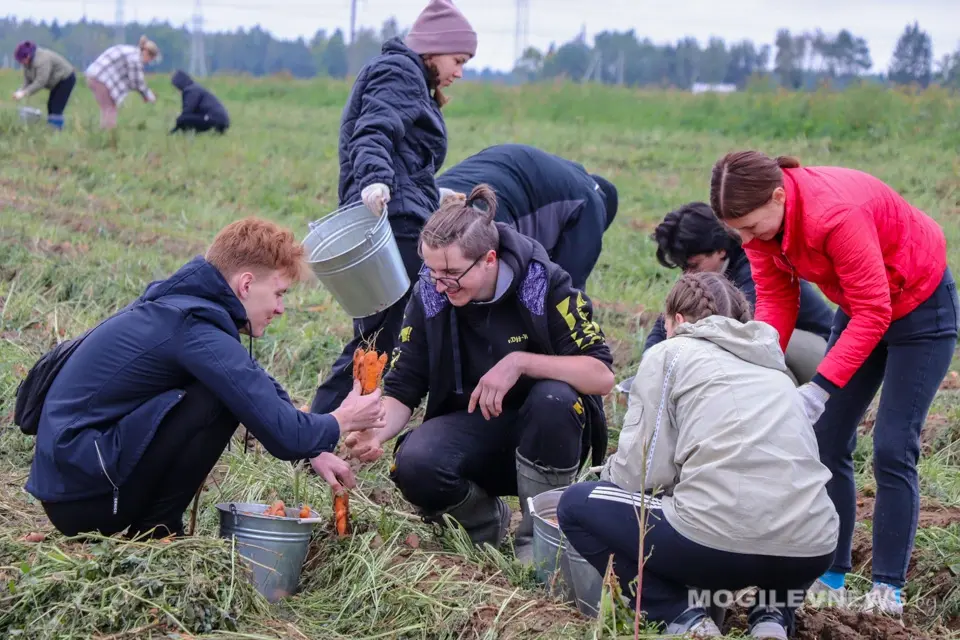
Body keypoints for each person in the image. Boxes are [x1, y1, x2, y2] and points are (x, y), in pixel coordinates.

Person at [24, 217, 386, 539]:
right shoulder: (193, 326)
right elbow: (282, 435)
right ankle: (158, 530)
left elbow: (255, 384)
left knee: (227, 389)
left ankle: (156, 527)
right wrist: (342, 419)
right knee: (219, 398)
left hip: (76, 485)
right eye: (278, 293)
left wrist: (316, 444)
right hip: (89, 498)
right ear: (245, 284)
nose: (280, 308)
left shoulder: (186, 309)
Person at [710, 150, 958, 616]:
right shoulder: (764, 227)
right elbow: (777, 298)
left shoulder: (834, 214)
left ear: (779, 197)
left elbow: (874, 311)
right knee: (825, 438)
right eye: (736, 230)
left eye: (750, 227)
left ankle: (888, 587)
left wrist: (817, 389)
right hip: (862, 302)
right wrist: (759, 364)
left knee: (891, 446)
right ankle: (832, 573)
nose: (745, 240)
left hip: (921, 309)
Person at [558, 272, 839, 640]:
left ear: (676, 320)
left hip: (714, 543)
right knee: (786, 517)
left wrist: (607, 475)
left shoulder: (669, 354)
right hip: (815, 547)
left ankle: (684, 620)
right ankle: (770, 617)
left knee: (575, 505)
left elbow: (640, 473)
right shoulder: (776, 369)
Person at [342, 185, 615, 563]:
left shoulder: (542, 283)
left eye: (452, 273)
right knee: (415, 462)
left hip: (550, 434)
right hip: (475, 431)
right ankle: (482, 523)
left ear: (489, 259)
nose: (441, 284)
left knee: (554, 397)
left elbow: (601, 375)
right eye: (433, 270)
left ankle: (539, 541)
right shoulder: (432, 292)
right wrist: (375, 431)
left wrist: (521, 362)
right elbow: (405, 386)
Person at [309, 0, 478, 417]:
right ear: (433, 50)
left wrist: (431, 193)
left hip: (401, 211)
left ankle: (343, 424)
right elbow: (373, 132)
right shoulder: (399, 72)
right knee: (383, 334)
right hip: (394, 222)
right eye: (457, 60)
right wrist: (374, 180)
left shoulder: (410, 77)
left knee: (380, 334)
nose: (459, 72)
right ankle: (322, 429)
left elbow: (403, 153)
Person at [644, 201, 834, 385]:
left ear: (720, 251)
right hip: (784, 348)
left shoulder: (753, 268)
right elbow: (669, 318)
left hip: (822, 352)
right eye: (683, 267)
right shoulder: (706, 272)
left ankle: (786, 402)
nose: (688, 274)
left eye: (693, 265)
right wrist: (650, 364)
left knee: (746, 344)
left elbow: (732, 332)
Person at [435, 143, 619, 291]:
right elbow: (568, 299)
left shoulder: (562, 176)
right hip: (488, 213)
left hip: (437, 195)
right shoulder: (590, 203)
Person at [85, 35, 161, 130]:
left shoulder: (132, 52)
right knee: (109, 109)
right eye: (151, 59)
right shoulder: (135, 58)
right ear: (146, 52)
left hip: (95, 75)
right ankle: (108, 137)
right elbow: (137, 82)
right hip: (100, 78)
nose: (148, 62)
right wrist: (150, 97)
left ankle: (105, 134)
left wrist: (145, 95)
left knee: (109, 107)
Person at [12, 41, 76, 130]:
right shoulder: (27, 63)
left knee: (56, 106)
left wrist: (25, 93)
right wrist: (20, 91)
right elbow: (28, 80)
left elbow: (40, 82)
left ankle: (56, 130)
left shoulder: (42, 60)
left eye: (21, 60)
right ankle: (52, 129)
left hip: (66, 79)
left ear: (27, 56)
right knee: (50, 105)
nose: (20, 63)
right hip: (56, 81)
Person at [169, 69, 230, 134]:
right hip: (221, 120)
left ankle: (187, 134)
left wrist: (175, 127)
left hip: (213, 119)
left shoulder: (190, 91)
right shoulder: (195, 88)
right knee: (186, 118)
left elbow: (188, 111)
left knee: (183, 119)